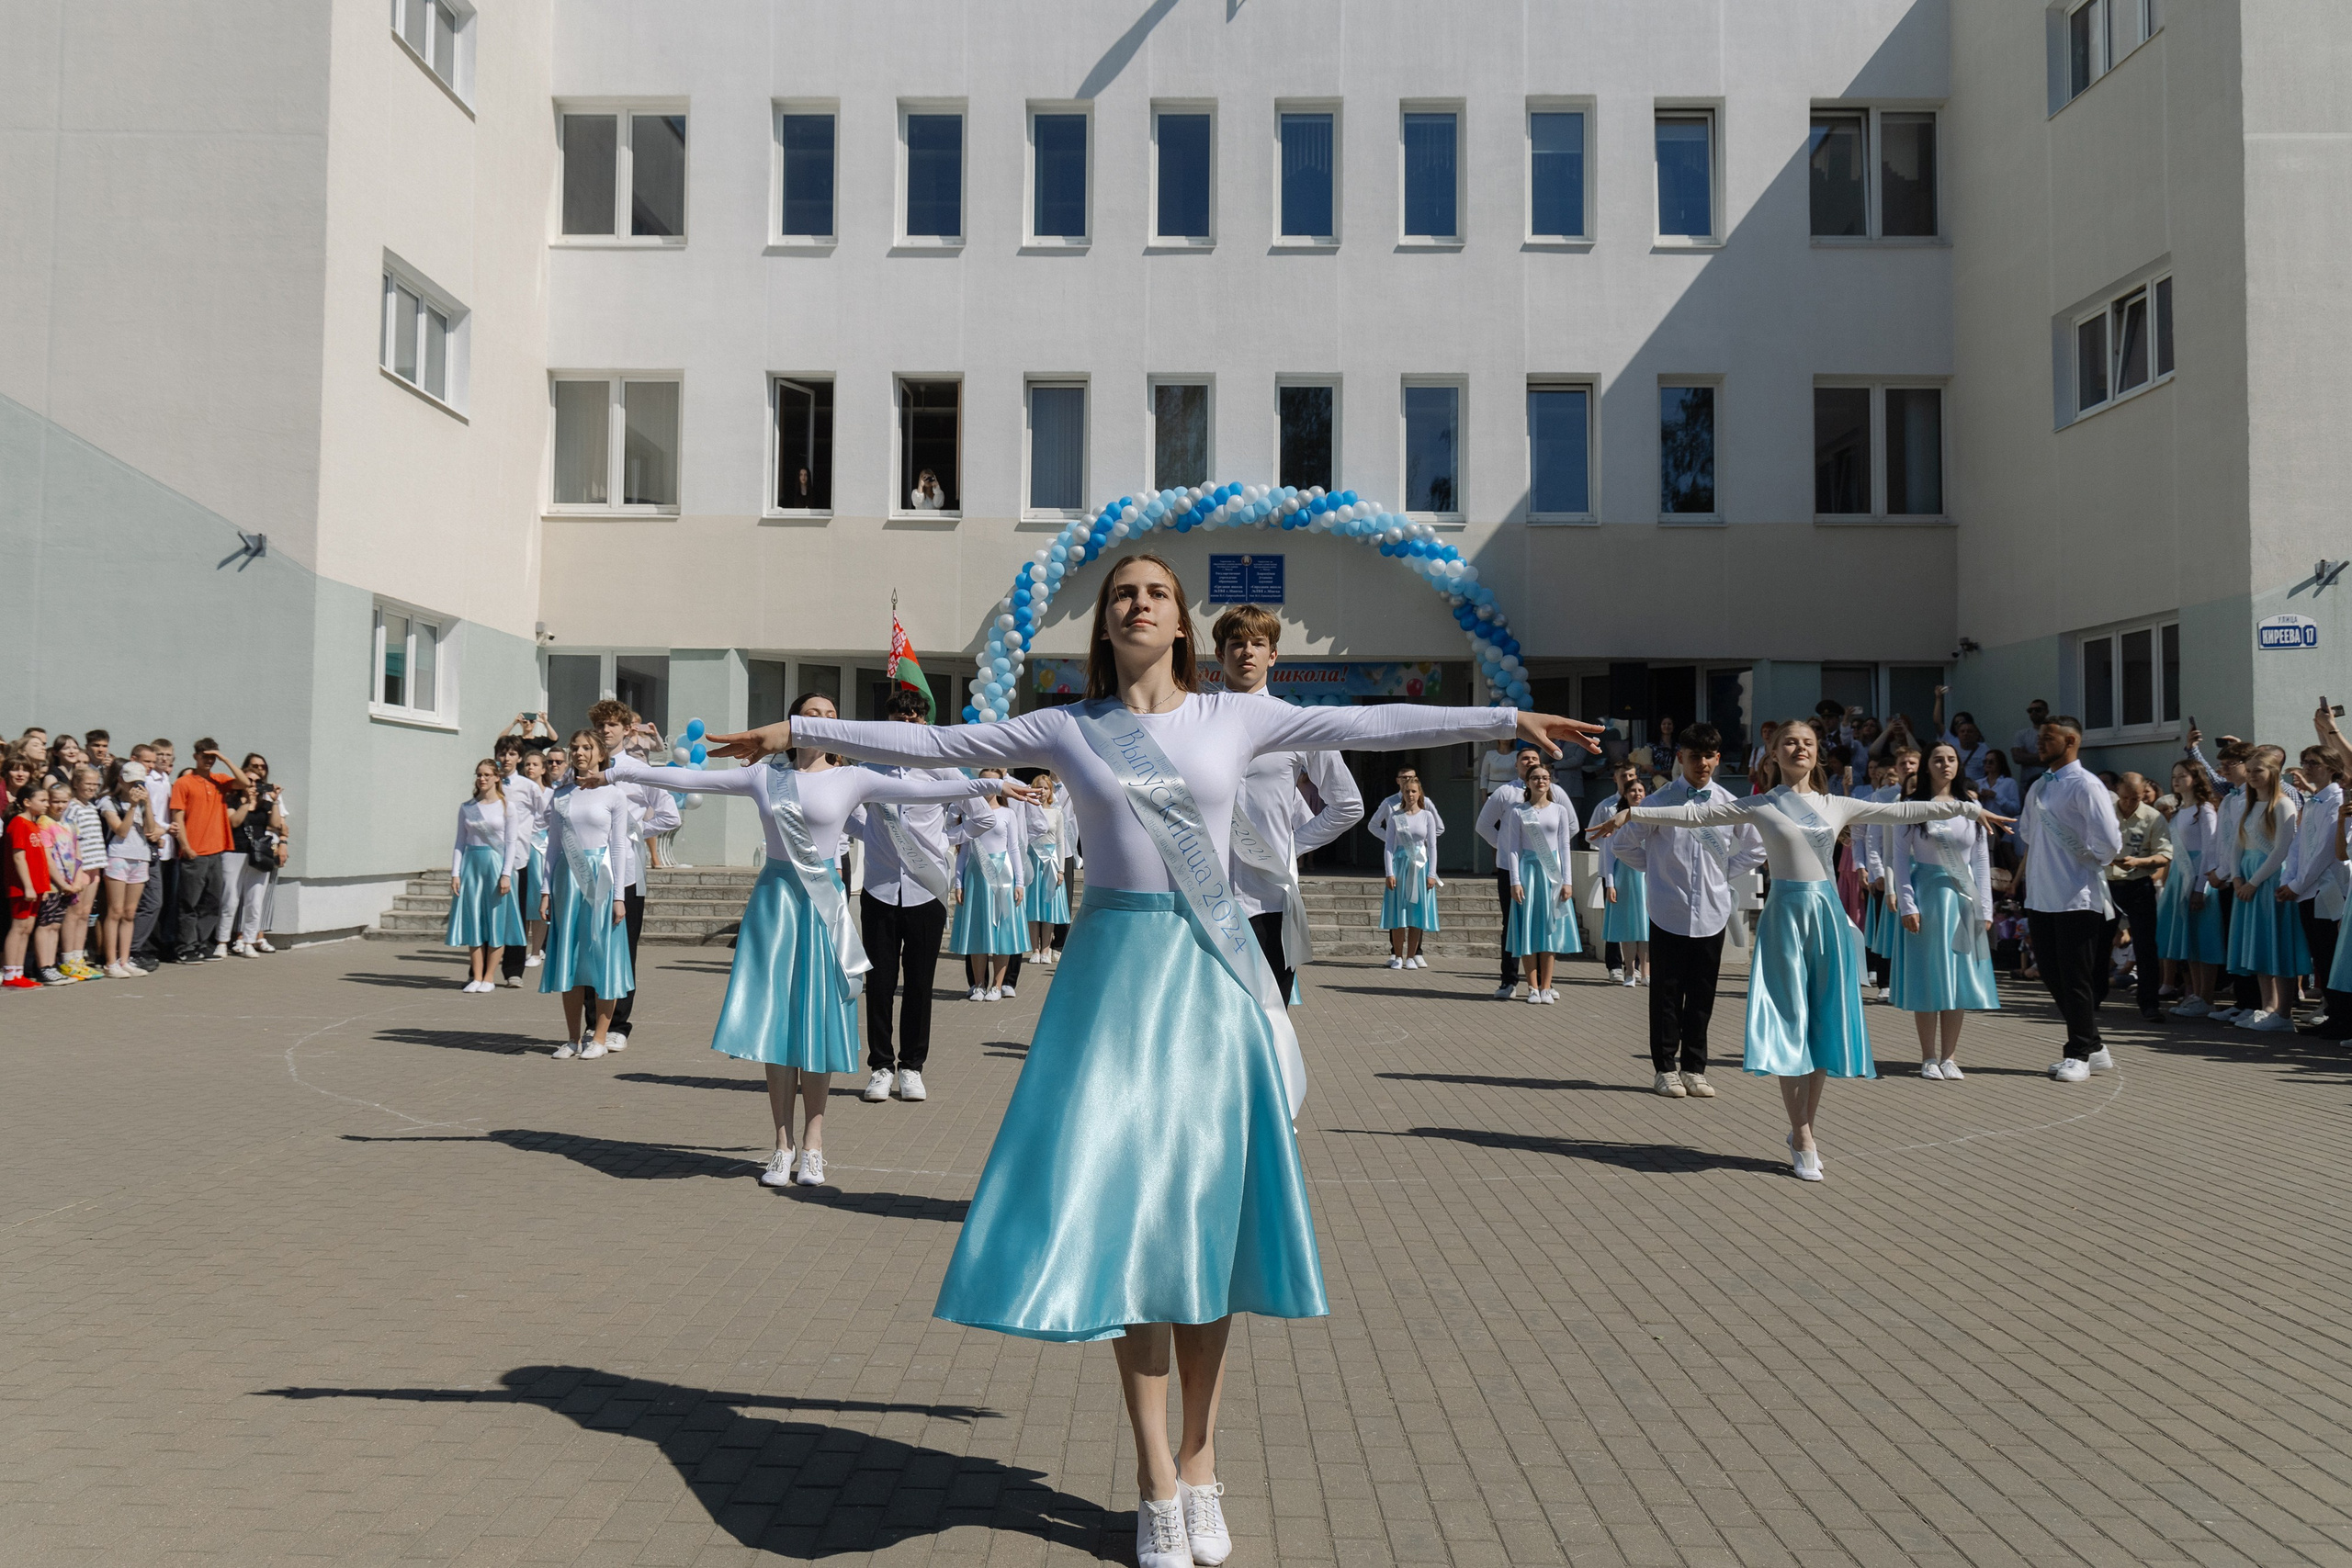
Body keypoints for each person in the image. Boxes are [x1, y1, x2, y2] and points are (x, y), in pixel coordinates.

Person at [708, 551, 1598, 1568]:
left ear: (1181, 624)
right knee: (1135, 1229)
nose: (1139, 602)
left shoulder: (1236, 715)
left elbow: (1370, 722)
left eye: (1157, 593)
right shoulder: (1068, 727)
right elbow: (938, 741)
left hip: (1210, 980)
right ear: (1107, 622)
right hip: (1111, 987)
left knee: (1204, 1225)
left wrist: (1505, 718)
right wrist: (798, 734)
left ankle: (1201, 1460)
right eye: (1124, 593)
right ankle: (1153, 1478)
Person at [595, 694, 1012, 1190]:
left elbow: (927, 792)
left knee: (817, 1021)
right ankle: (781, 1144)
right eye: (814, 714)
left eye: (832, 716)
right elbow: (691, 779)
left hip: (822, 907)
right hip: (775, 907)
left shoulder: (853, 777)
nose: (824, 721)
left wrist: (992, 784)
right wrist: (620, 768)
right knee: (777, 1025)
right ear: (793, 723)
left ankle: (814, 1145)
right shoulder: (763, 776)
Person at [1590, 718, 2006, 1179]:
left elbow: (1902, 812)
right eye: (1790, 742)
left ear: (1817, 752)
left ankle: (1805, 1125)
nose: (1799, 748)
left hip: (1825, 920)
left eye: (1807, 742)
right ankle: (1802, 1133)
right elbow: (1693, 817)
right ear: (1774, 753)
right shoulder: (1760, 804)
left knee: (1822, 1022)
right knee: (1790, 1021)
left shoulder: (1837, 805)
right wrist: (1634, 815)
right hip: (1785, 920)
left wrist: (1967, 810)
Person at [1606, 721, 1769, 1100]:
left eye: (1709, 756)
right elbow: (1623, 846)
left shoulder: (1729, 803)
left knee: (1702, 994)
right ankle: (1665, 1069)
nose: (1702, 764)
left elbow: (1757, 848)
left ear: (1718, 758)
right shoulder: (1658, 802)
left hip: (1712, 910)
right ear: (1680, 757)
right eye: (1695, 756)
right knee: (1666, 994)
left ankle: (1695, 1068)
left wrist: (1724, 872)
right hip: (1669, 909)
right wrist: (1658, 871)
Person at [1214, 605, 1363, 1006]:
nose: (1247, 651)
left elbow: (1347, 804)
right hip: (1203, 895)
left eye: (1258, 643)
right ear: (1220, 654)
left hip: (1271, 901)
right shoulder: (1195, 720)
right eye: (1236, 643)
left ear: (1273, 655)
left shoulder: (1296, 723)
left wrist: (1292, 846)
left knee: (1269, 1018)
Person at [844, 686, 964, 1104]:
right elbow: (845, 814)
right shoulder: (868, 769)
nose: (908, 722)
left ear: (924, 722)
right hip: (879, 889)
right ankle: (880, 1066)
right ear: (889, 722)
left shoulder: (940, 769)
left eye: (915, 716)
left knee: (919, 983)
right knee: (878, 983)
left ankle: (912, 1067)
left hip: (926, 891)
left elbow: (982, 816)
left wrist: (943, 843)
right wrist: (873, 837)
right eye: (900, 716)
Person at [2014, 716, 2127, 1079]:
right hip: (2041, 895)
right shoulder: (2039, 786)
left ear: (2071, 740)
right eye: (2039, 737)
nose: (2040, 743)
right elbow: (2028, 833)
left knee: (2076, 977)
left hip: (2077, 895)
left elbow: (2109, 842)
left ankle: (2078, 1053)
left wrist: (2084, 860)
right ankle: (2094, 1046)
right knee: (2051, 973)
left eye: (2048, 738)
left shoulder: (2086, 785)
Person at [1888, 741, 2000, 1077]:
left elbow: (1980, 858)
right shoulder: (1910, 806)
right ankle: (1928, 1056)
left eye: (1951, 759)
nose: (1945, 765)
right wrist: (1907, 903)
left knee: (1958, 978)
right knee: (1929, 976)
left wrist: (1986, 908)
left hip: (1963, 898)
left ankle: (1950, 1056)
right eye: (1938, 759)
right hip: (1928, 897)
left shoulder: (1971, 806)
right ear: (1926, 765)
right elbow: (1900, 858)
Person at [589, 702, 683, 1051]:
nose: (606, 730)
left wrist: (634, 831)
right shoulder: (585, 768)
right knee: (591, 946)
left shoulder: (639, 770)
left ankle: (618, 1024)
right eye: (601, 724)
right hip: (589, 870)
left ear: (628, 730)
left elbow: (670, 815)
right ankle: (592, 1023)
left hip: (626, 871)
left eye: (613, 724)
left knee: (623, 947)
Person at [540, 730, 634, 1058]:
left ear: (600, 754)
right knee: (570, 958)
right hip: (567, 882)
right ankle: (572, 1038)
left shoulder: (614, 795)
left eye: (587, 747)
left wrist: (620, 897)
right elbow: (552, 847)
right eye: (575, 748)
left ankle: (600, 1039)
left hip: (602, 882)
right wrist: (545, 890)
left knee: (602, 958)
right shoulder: (561, 795)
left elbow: (619, 847)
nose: (580, 753)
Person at [2222, 746, 2306, 1032]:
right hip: (2246, 877)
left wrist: (2253, 882)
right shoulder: (2248, 804)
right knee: (2258, 944)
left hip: (2268, 880)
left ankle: (2283, 1013)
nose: (2252, 775)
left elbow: (2281, 850)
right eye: (2249, 771)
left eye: (2258, 770)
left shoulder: (2283, 804)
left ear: (2273, 772)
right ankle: (2267, 1006)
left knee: (2276, 944)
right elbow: (2237, 843)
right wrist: (2236, 877)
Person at [1498, 762, 1577, 1004]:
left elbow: (1564, 846)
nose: (1540, 781)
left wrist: (1568, 881)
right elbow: (1513, 849)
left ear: (1550, 781)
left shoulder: (1559, 810)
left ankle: (1546, 987)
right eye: (1535, 778)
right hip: (1529, 873)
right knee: (1528, 929)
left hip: (1552, 874)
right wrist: (1515, 881)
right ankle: (1532, 987)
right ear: (1528, 782)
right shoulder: (1518, 812)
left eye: (1545, 777)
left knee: (1550, 929)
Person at [447, 760, 528, 992]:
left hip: (495, 866)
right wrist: (455, 873)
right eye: (479, 775)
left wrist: (506, 874)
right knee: (474, 920)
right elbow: (460, 842)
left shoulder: (507, 806)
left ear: (496, 778)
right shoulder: (467, 807)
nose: (482, 779)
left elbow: (511, 843)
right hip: (472, 867)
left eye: (486, 775)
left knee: (496, 921)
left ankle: (489, 977)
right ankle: (477, 976)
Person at [168, 740, 251, 963]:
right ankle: (185, 947)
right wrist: (185, 846)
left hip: (216, 851)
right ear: (195, 756)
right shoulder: (184, 783)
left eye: (212, 757)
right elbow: (177, 816)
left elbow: (244, 782)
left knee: (211, 902)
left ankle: (201, 943)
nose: (209, 760)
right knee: (189, 902)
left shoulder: (219, 780)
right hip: (194, 852)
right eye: (205, 756)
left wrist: (224, 759)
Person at [947, 771, 1026, 999]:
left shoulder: (1008, 813)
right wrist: (959, 882)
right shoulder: (969, 813)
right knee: (978, 930)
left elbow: (1014, 849)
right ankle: (979, 984)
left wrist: (1020, 882)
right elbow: (963, 851)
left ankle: (997, 986)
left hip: (1002, 876)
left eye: (993, 782)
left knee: (1002, 931)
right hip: (976, 876)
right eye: (984, 782)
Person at [1474, 747, 1544, 998]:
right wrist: (1504, 846)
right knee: (1512, 924)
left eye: (1534, 758)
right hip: (1510, 869)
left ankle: (1543, 984)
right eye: (1525, 759)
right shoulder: (1505, 792)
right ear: (1516, 765)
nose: (1530, 762)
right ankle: (1509, 981)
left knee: (1542, 923)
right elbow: (1483, 825)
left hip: (1542, 868)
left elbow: (1568, 826)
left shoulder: (1552, 792)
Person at [2101, 772, 2171, 1023]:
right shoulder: (2105, 813)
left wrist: (2140, 862)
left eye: (2136, 798)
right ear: (2117, 792)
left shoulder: (2153, 817)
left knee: (2145, 945)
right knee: (2099, 942)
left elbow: (2165, 854)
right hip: (2107, 884)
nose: (2129, 803)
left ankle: (2149, 1003)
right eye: (2125, 798)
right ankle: (2095, 994)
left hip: (2138, 883)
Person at [2160, 761, 2226, 1016]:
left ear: (2196, 778)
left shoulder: (2205, 810)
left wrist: (2201, 888)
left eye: (2182, 776)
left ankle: (2206, 996)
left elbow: (2211, 850)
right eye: (2174, 776)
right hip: (2180, 876)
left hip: (2198, 877)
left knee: (2203, 937)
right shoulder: (2179, 811)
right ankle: (2196, 994)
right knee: (2190, 940)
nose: (2176, 780)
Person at [2284, 744, 2345, 1013]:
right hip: (2306, 889)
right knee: (2319, 954)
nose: (2307, 767)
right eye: (2305, 762)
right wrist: (2289, 879)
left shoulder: (2337, 800)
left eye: (2313, 763)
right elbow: (2298, 845)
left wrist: (2297, 884)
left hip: (2326, 889)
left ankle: (2340, 1013)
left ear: (2331, 768)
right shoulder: (2312, 801)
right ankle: (2331, 1011)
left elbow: (2325, 850)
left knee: (2330, 953)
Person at [1371, 770, 1442, 970]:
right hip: (1400, 865)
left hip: (1420, 866)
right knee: (1399, 912)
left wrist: (1432, 874)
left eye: (1413, 791)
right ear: (1402, 793)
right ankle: (1398, 955)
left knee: (1415, 913)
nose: (1410, 795)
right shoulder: (1396, 817)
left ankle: (1412, 956)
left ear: (1419, 793)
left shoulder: (1427, 816)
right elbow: (1389, 846)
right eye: (1407, 791)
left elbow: (1432, 846)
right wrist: (1389, 872)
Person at [496, 737, 552, 985]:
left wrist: (531, 833)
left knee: (517, 914)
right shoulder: (491, 781)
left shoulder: (528, 787)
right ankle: (480, 970)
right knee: (489, 913)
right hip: (492, 856)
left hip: (519, 857)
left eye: (511, 754)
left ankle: (513, 970)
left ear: (518, 758)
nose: (506, 758)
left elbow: (547, 815)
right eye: (502, 753)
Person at [220, 753, 287, 956]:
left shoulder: (265, 804)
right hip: (234, 851)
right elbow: (234, 822)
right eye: (249, 781)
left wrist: (274, 801)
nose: (253, 785)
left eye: (257, 782)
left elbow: (276, 825)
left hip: (259, 854)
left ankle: (249, 941)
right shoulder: (232, 800)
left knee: (255, 900)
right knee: (230, 898)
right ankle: (222, 941)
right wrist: (246, 803)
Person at [98, 766, 151, 978]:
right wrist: (133, 806)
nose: (135, 787)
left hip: (141, 857)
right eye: (131, 782)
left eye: (139, 782)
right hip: (118, 857)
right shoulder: (108, 802)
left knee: (130, 912)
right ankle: (111, 962)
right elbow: (120, 830)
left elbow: (150, 830)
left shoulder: (143, 803)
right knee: (116, 911)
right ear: (121, 780)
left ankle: (125, 960)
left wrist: (148, 804)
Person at [1599, 772, 1650, 986]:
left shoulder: (1652, 819)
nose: (1637, 794)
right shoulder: (1616, 820)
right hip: (1624, 877)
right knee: (1628, 927)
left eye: (1640, 790)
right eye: (1632, 791)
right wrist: (1610, 884)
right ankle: (1629, 971)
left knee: (1646, 928)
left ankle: (1646, 973)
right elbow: (1609, 855)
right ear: (1625, 795)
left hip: (1647, 878)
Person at [58, 765, 108, 979]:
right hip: (80, 866)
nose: (92, 787)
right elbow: (68, 838)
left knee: (86, 913)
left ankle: (79, 958)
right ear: (76, 784)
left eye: (95, 784)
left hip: (95, 864)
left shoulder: (91, 806)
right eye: (88, 783)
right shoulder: (72, 807)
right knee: (74, 913)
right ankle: (67, 959)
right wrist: (74, 869)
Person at [1023, 773, 1074, 964]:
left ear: (1050, 791)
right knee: (1033, 907)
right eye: (1039, 787)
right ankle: (1034, 950)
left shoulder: (1056, 812)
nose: (1042, 791)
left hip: (1050, 863)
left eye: (1045, 788)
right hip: (1033, 861)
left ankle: (1046, 949)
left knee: (1048, 908)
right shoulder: (1026, 812)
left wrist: (1061, 870)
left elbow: (1060, 842)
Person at [2011, 698, 2052, 786]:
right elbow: (2017, 758)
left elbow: (2053, 758)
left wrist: (2027, 757)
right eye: (2030, 710)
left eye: (2038, 710)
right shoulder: (2022, 734)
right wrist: (2043, 757)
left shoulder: (2052, 733)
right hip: (2026, 783)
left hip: (2048, 781)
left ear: (2046, 712)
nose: (2033, 712)